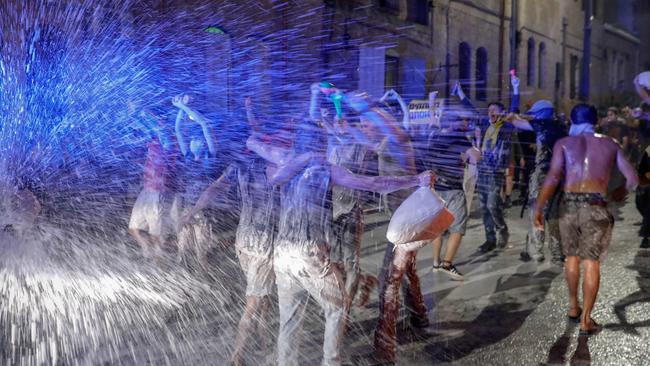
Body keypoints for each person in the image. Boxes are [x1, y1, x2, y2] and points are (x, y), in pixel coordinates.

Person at [247, 120, 435, 366]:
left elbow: (253, 143)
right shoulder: (326, 169)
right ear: (320, 143)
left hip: (282, 255)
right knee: (337, 307)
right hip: (308, 253)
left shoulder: (286, 159)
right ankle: (330, 362)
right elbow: (374, 184)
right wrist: (415, 180)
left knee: (290, 320)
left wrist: (252, 132)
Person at [312, 84, 432, 362]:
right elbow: (361, 138)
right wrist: (341, 117)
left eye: (367, 125)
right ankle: (420, 316)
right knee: (407, 272)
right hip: (402, 221)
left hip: (409, 223)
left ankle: (384, 352)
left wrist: (368, 108)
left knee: (389, 283)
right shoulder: (381, 144)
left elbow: (391, 131)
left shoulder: (398, 141)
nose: (364, 128)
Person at [534, 103, 638, 336]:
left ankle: (573, 307)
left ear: (572, 121)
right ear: (597, 122)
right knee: (591, 262)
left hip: (568, 205)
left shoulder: (564, 143)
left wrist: (538, 208)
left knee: (571, 257)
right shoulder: (610, 144)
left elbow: (552, 178)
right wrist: (621, 191)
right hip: (596, 207)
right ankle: (586, 319)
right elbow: (632, 178)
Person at [455, 75, 520, 253]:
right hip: (482, 170)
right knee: (484, 206)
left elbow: (514, 110)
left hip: (496, 171)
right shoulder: (484, 124)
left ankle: (502, 229)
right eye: (489, 109)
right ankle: (489, 239)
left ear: (501, 113)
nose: (490, 112)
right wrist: (461, 94)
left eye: (494, 110)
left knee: (492, 205)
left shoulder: (506, 127)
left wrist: (515, 89)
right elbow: (472, 111)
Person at [508, 100, 567, 263]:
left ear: (542, 113)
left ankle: (536, 251)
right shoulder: (561, 126)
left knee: (536, 211)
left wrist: (513, 113)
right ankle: (557, 254)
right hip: (560, 176)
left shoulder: (541, 125)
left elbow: (516, 122)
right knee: (555, 214)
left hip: (542, 175)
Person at [425, 107, 479, 280]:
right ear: (453, 123)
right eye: (459, 121)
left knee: (438, 229)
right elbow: (475, 158)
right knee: (458, 228)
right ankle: (447, 265)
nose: (462, 124)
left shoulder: (434, 134)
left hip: (435, 189)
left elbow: (432, 121)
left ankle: (435, 263)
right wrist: (475, 146)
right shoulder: (457, 137)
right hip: (453, 190)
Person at [171, 95, 219, 267]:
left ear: (203, 144)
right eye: (191, 140)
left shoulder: (210, 157)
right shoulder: (188, 157)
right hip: (188, 205)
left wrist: (184, 107)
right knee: (182, 246)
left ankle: (205, 275)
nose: (192, 140)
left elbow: (204, 126)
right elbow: (177, 130)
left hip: (203, 208)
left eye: (197, 139)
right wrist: (179, 109)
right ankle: (181, 275)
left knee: (202, 249)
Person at [127, 105, 176, 261]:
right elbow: (144, 127)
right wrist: (134, 113)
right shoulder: (154, 139)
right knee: (133, 228)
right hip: (146, 191)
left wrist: (146, 113)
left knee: (156, 233)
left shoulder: (168, 141)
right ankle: (148, 251)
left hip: (157, 192)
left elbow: (158, 127)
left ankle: (159, 262)